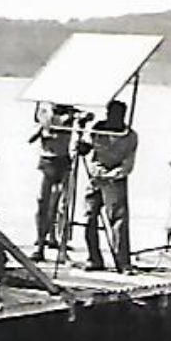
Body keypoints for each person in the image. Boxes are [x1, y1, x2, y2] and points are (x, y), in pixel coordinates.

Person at [80, 99, 138, 273]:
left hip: (116, 181)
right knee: (88, 219)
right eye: (110, 114)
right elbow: (89, 152)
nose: (113, 118)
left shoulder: (130, 135)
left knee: (119, 222)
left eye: (117, 115)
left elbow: (128, 163)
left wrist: (112, 175)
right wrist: (96, 170)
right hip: (95, 178)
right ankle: (94, 259)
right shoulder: (98, 128)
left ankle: (123, 263)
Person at [28, 103, 76, 260]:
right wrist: (44, 126)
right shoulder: (44, 113)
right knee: (43, 203)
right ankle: (40, 245)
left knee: (63, 205)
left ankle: (61, 248)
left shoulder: (70, 115)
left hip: (63, 161)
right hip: (46, 161)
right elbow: (31, 137)